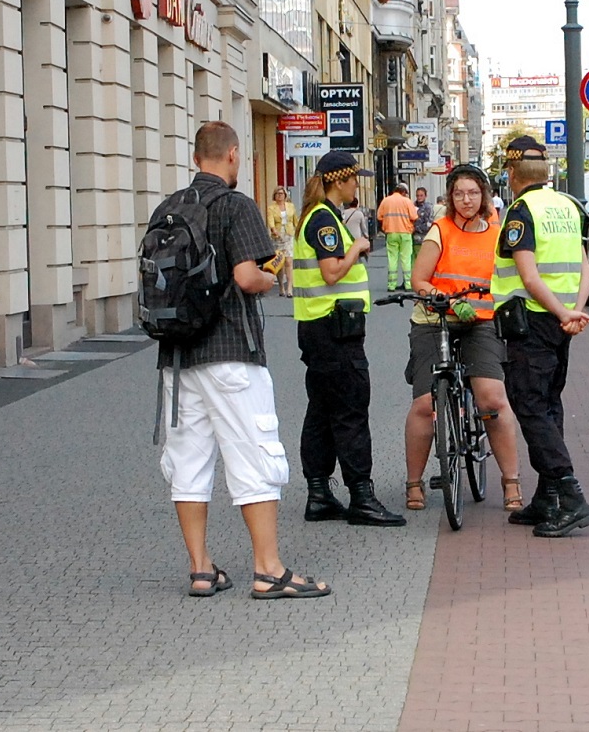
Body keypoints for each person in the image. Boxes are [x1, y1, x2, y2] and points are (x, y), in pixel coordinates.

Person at [153, 121, 330, 600]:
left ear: (196, 158)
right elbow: (248, 277)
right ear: (233, 154)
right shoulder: (236, 205)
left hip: (177, 356)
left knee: (188, 461)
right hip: (231, 350)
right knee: (255, 455)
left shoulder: (168, 208)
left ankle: (201, 569)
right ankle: (269, 570)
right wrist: (271, 280)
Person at [489, 136, 589, 538]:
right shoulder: (568, 206)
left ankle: (569, 495)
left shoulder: (521, 212)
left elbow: (529, 277)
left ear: (512, 173)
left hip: (532, 322)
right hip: (560, 324)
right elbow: (584, 269)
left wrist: (563, 313)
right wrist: (573, 312)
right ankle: (547, 496)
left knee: (531, 406)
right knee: (550, 405)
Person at [293, 150, 405, 527]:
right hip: (334, 329)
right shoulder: (324, 219)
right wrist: (357, 246)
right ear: (339, 181)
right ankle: (361, 496)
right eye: (354, 179)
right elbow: (331, 272)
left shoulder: (319, 215)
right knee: (351, 410)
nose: (357, 185)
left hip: (320, 328)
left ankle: (319, 494)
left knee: (322, 411)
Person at [402, 164, 523, 512]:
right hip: (435, 319)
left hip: (480, 322)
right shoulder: (440, 231)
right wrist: (449, 300)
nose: (466, 200)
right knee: (425, 403)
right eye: (458, 194)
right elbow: (419, 280)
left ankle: (511, 481)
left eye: (472, 193)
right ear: (451, 197)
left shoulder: (497, 235)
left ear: (484, 196)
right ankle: (414, 482)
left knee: (492, 400)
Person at [377, 183, 417, 290]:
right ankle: (408, 284)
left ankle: (391, 285)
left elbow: (379, 216)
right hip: (405, 233)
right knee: (406, 259)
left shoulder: (386, 201)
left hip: (391, 232)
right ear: (403, 192)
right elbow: (414, 216)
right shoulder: (407, 201)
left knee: (392, 259)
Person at [265, 186, 297, 297]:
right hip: (277, 236)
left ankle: (289, 288)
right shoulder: (271, 208)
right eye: (277, 194)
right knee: (280, 262)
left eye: (282, 193)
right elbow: (270, 222)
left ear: (285, 195)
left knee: (289, 261)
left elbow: (295, 220)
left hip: (289, 235)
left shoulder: (291, 206)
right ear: (274, 196)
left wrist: (298, 231)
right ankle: (281, 286)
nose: (280, 196)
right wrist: (274, 230)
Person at [411, 186, 433, 260]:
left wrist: (416, 228)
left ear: (425, 196)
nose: (419, 197)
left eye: (421, 195)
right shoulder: (412, 206)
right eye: (417, 195)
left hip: (423, 237)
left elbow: (429, 223)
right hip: (412, 238)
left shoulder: (428, 207)